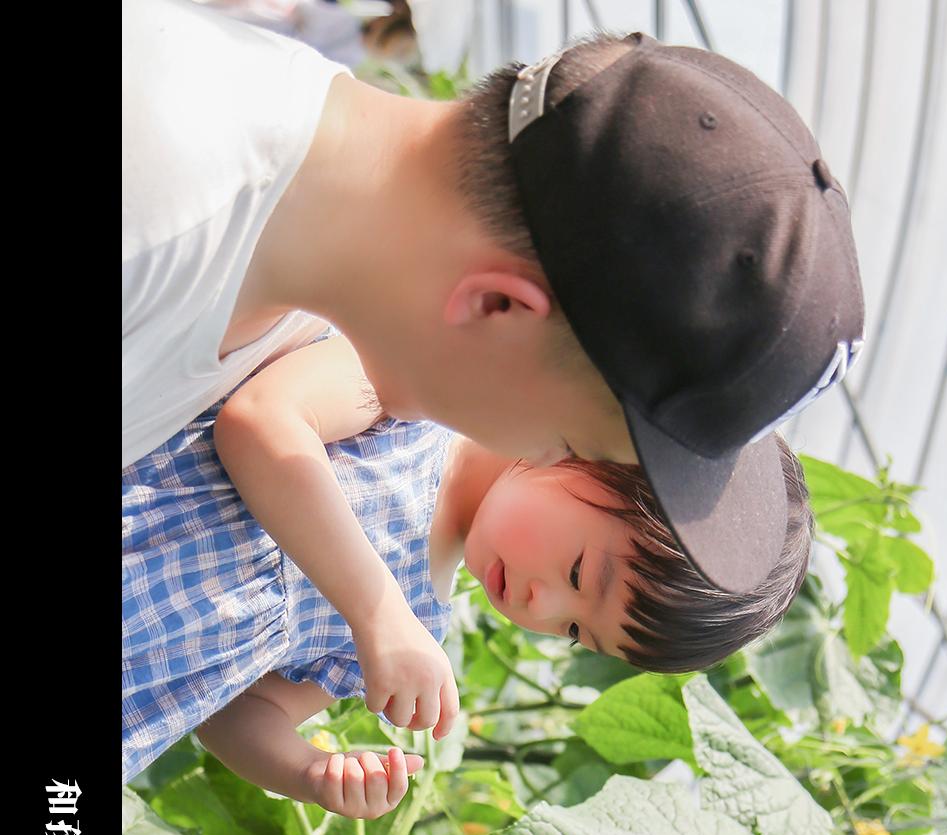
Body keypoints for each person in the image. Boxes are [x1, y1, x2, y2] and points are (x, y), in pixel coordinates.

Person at [123, 0, 864, 685]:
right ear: (501, 305)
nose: (535, 455)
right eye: (569, 440)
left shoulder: (247, 281)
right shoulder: (155, 223)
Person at [122, 333, 811, 818]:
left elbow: (232, 712)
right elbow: (262, 422)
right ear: (597, 449)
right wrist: (376, 613)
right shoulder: (418, 397)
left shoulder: (416, 627)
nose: (542, 604)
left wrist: (306, 771)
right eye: (579, 571)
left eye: (574, 630)